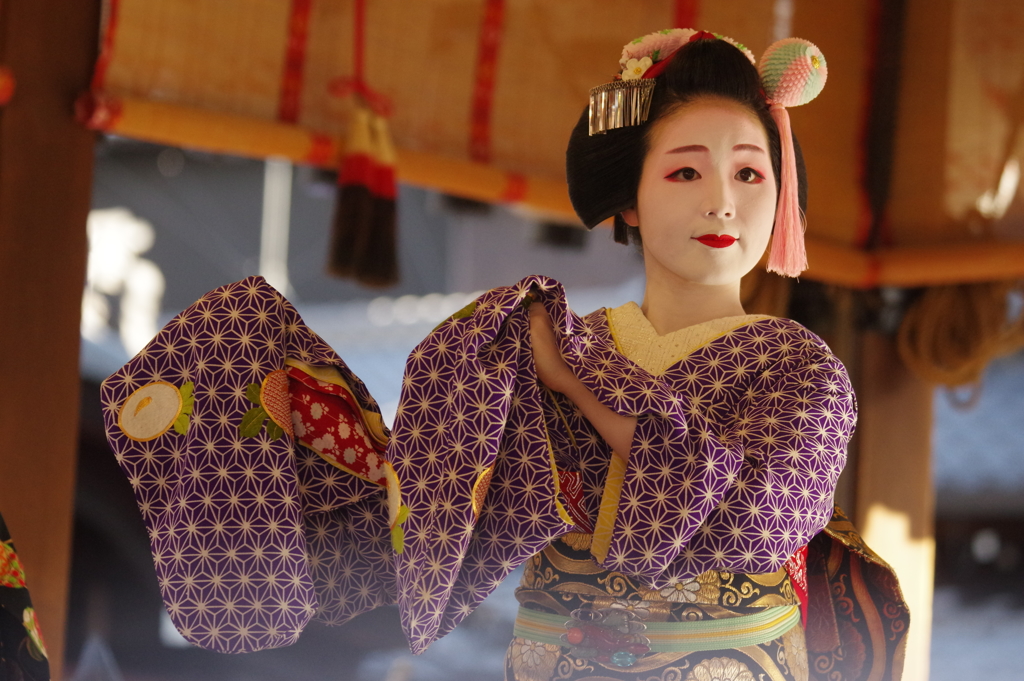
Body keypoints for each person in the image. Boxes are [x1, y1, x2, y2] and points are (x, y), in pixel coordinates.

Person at [100, 28, 908, 681]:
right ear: (631, 195)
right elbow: (433, 503)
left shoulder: (802, 369)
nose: (722, 199)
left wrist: (578, 388)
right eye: (686, 169)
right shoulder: (535, 340)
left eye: (751, 172)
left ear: (781, 194)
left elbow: (757, 519)